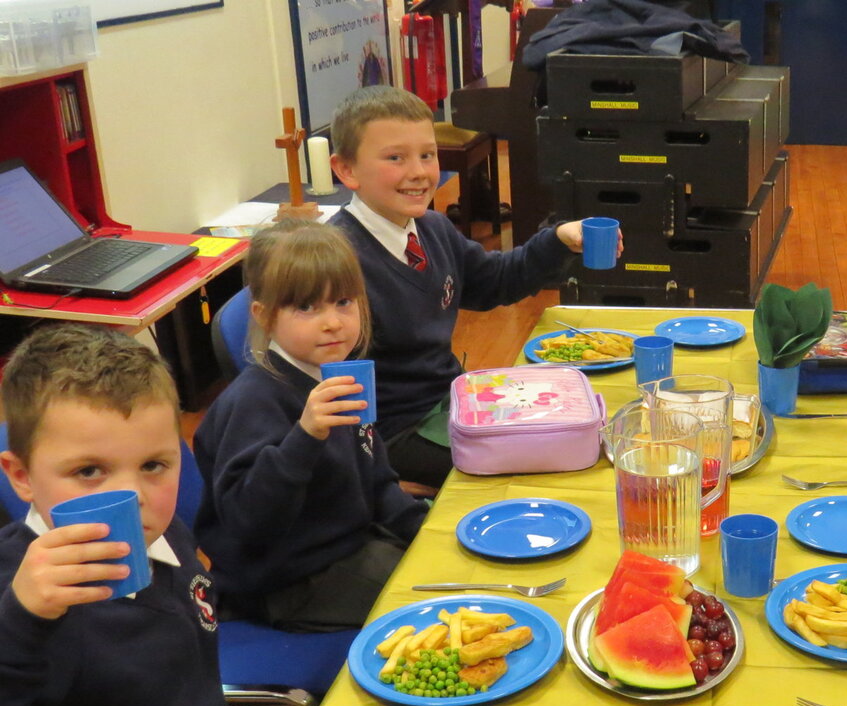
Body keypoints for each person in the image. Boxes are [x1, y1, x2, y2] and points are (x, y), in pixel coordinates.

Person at [0, 325, 236, 706]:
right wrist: (20, 625)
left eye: (154, 465)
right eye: (89, 471)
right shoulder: (20, 600)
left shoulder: (165, 534)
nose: (132, 497)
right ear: (22, 477)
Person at [328, 85, 615, 489]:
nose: (419, 172)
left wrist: (558, 239)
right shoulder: (333, 262)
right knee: (553, 461)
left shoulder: (432, 228)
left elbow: (492, 282)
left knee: (580, 429)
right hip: (393, 433)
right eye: (395, 158)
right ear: (346, 170)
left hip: (451, 401)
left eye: (426, 155)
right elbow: (325, 390)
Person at [194, 220, 429, 631]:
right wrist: (305, 438)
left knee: (450, 563)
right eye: (307, 307)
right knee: (433, 600)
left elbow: (376, 481)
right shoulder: (253, 402)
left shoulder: (340, 376)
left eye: (343, 302)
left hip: (349, 548)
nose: (332, 322)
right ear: (265, 317)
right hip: (287, 583)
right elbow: (249, 524)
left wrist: (426, 532)